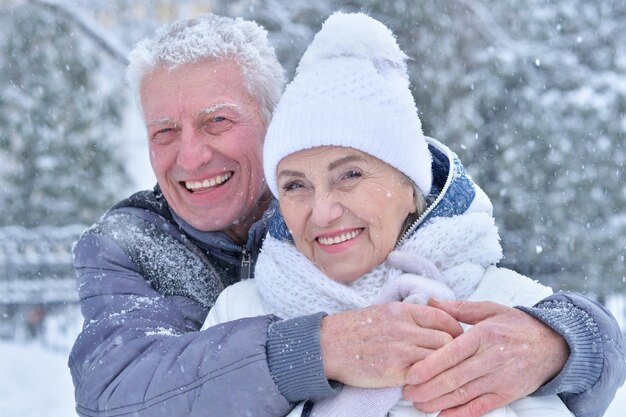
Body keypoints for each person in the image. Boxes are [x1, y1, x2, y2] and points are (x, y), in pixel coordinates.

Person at [68, 12, 625, 417]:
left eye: (217, 121)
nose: (190, 156)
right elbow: (116, 391)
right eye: (164, 131)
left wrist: (563, 341)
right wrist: (318, 349)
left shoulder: (409, 230)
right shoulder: (132, 244)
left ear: (273, 122)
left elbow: (514, 297)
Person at [201, 12, 575, 417]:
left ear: (410, 190)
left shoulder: (516, 315)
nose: (322, 212)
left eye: (350, 175)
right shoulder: (238, 316)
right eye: (295, 185)